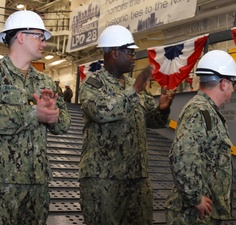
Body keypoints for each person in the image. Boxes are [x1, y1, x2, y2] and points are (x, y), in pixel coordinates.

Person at [78, 25, 175, 225]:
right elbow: (101, 112)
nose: (134, 57)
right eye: (130, 52)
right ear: (114, 53)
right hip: (104, 178)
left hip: (137, 179)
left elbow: (152, 120)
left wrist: (163, 109)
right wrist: (136, 89)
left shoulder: (132, 84)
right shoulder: (93, 84)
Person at [0, 10, 70, 225]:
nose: (43, 42)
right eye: (39, 36)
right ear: (21, 37)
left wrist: (52, 113)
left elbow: (64, 125)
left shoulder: (45, 82)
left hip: (37, 182)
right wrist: (33, 113)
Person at [165, 50, 236, 225]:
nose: (232, 90)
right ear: (223, 84)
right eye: (233, 84)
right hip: (191, 214)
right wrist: (195, 197)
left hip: (203, 213)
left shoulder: (207, 111)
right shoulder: (199, 111)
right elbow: (180, 155)